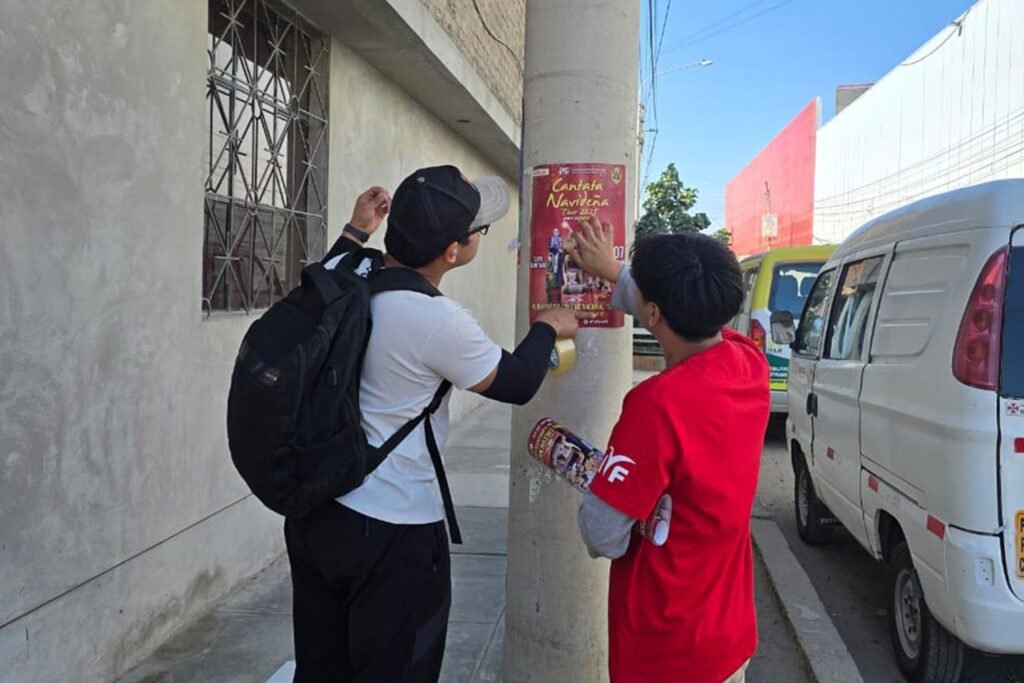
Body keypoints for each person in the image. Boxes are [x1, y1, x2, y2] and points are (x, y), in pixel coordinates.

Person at [284, 166, 582, 683]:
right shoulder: (435, 319)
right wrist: (546, 327)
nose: (478, 237)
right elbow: (515, 383)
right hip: (392, 527)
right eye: (478, 230)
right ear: (452, 251)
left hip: (317, 509)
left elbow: (324, 274)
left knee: (322, 666)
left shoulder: (345, 276)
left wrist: (356, 231)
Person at [568, 216, 770, 683]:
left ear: (655, 313)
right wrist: (615, 273)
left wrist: (599, 476)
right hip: (728, 635)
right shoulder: (748, 362)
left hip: (666, 649)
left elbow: (603, 534)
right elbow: (674, 315)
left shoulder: (657, 405)